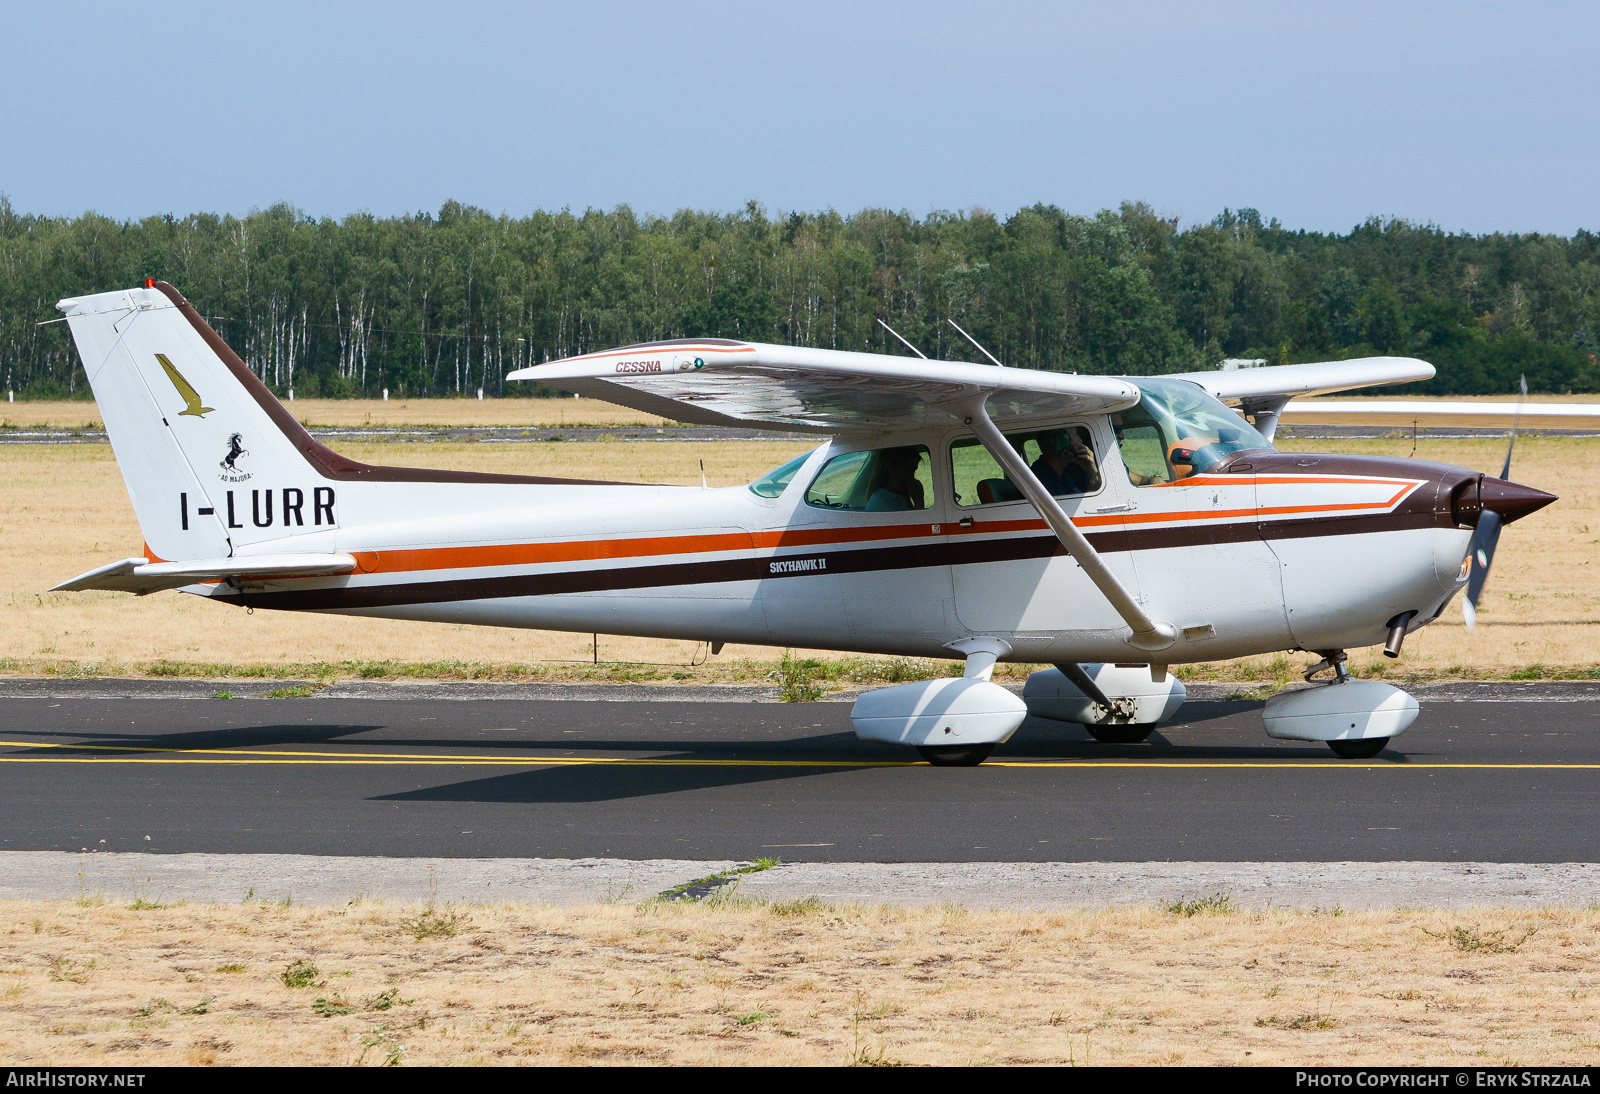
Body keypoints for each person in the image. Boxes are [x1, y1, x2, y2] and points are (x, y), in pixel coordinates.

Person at [1030, 429, 1100, 496]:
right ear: (1061, 441)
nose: (1080, 440)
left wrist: (1092, 472)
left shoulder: (1065, 476)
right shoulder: (1038, 478)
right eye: (1075, 435)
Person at [864, 447, 925, 511]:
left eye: (914, 471)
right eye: (908, 470)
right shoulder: (881, 502)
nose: (912, 476)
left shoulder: (898, 497)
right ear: (890, 467)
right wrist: (919, 502)